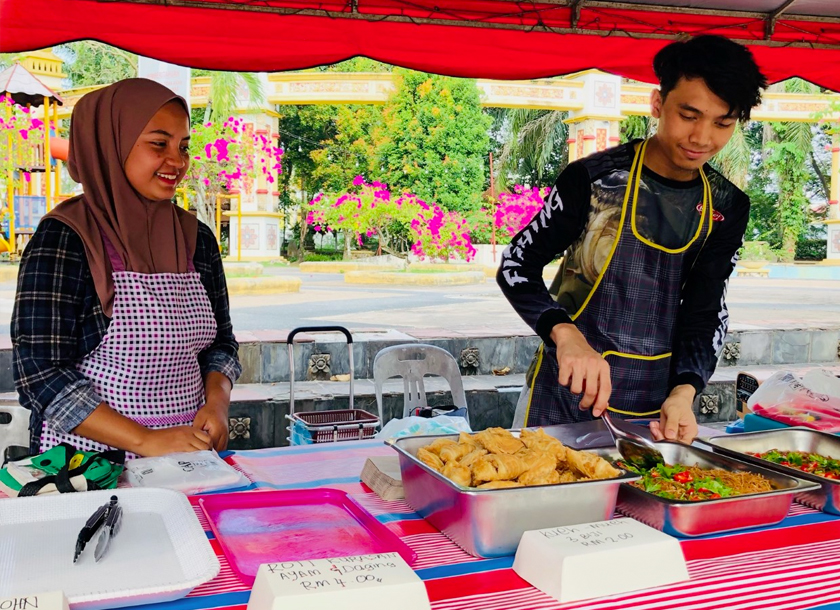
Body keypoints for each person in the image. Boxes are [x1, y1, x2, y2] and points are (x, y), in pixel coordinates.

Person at [498, 35, 767, 444]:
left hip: (658, 410)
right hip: (564, 395)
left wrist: (685, 390)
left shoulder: (727, 206)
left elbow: (705, 307)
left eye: (722, 123)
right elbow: (516, 265)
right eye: (689, 115)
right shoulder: (593, 180)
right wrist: (565, 334)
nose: (702, 137)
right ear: (658, 104)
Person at [12, 78, 241, 458]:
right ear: (110, 145)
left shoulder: (196, 239)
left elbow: (221, 343)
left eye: (183, 147)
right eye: (159, 144)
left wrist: (217, 401)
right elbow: (40, 373)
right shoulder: (65, 238)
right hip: (89, 464)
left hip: (186, 456)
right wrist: (145, 441)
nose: (177, 161)